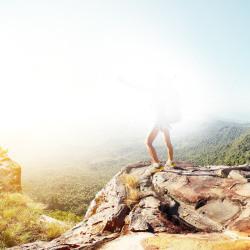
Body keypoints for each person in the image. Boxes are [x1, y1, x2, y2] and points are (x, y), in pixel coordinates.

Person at [118, 75, 178, 173]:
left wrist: (123, 81)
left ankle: (157, 165)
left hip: (158, 119)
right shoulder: (163, 91)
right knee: (168, 142)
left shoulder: (153, 90)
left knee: (148, 142)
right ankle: (170, 161)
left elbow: (136, 86)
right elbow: (166, 84)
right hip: (165, 120)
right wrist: (172, 79)